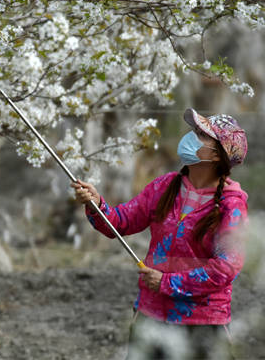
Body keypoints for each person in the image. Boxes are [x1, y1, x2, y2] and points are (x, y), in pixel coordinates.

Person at [72, 108, 248, 359]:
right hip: (151, 315)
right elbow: (121, 222)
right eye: (194, 131)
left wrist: (168, 283)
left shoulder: (233, 206)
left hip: (202, 325)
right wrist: (97, 204)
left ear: (219, 154)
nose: (191, 137)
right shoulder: (164, 186)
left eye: (201, 134)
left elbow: (227, 268)